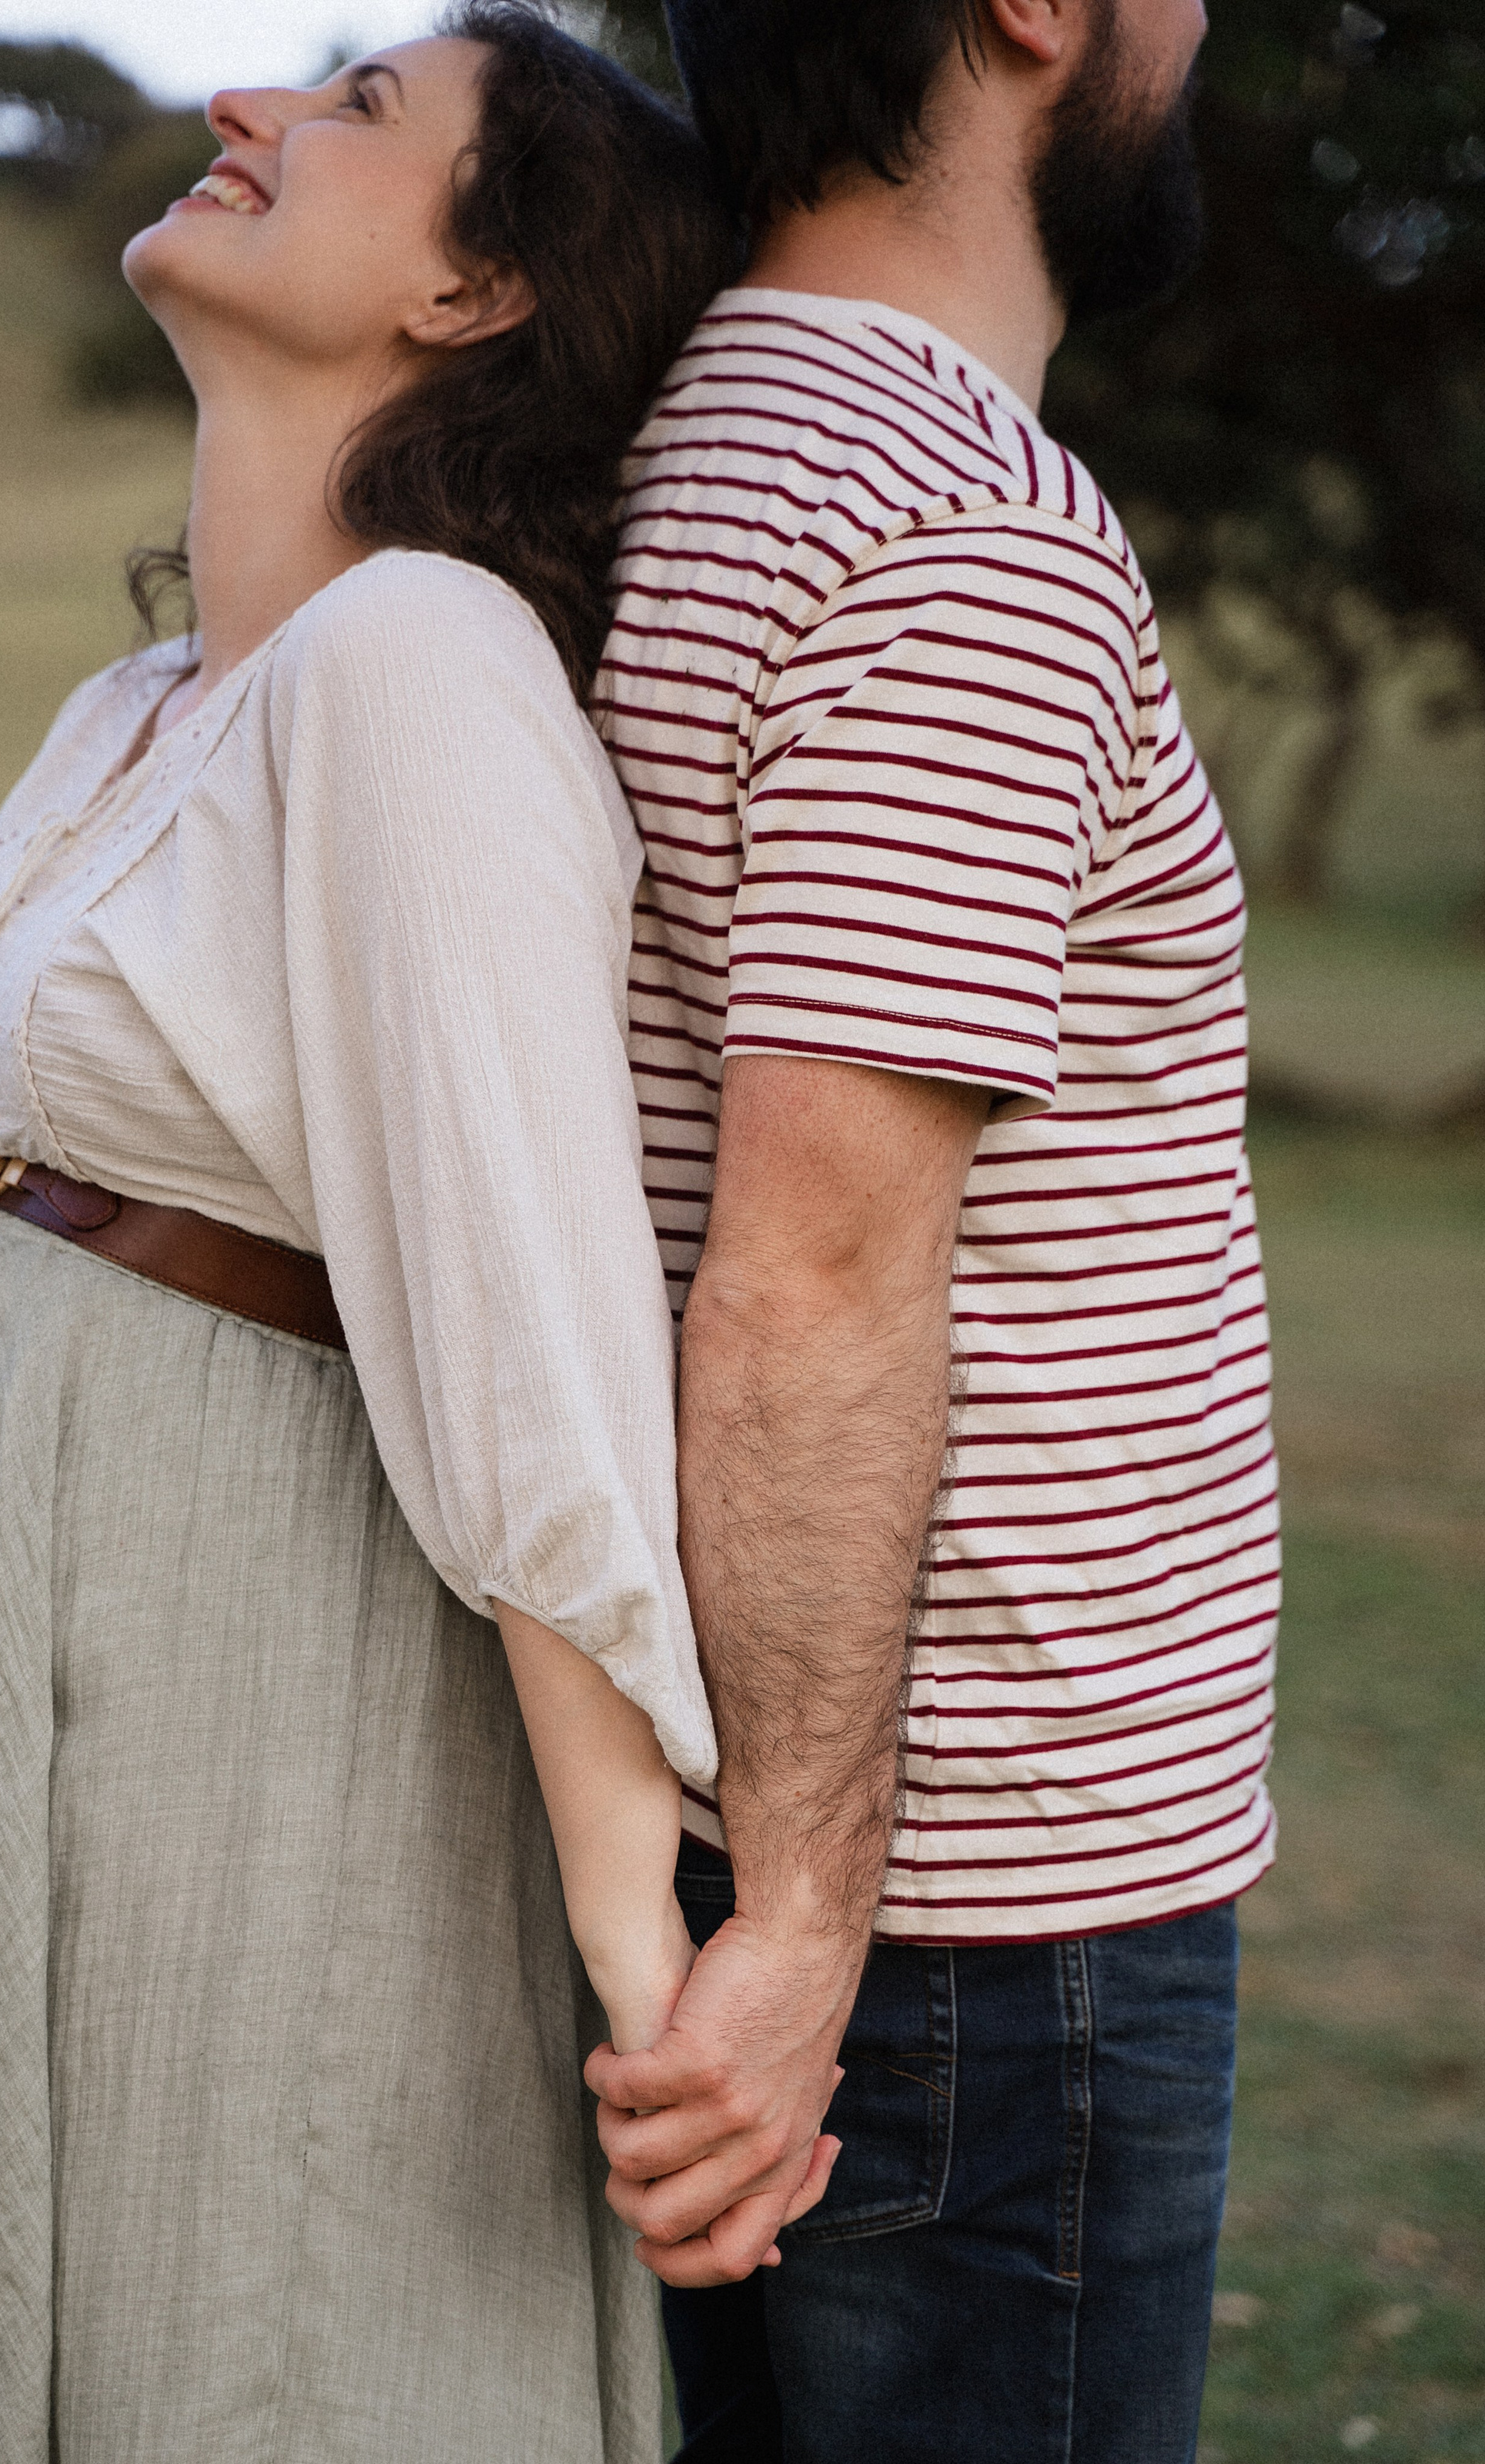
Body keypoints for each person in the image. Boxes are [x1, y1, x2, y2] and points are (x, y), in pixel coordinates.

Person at [0, 15, 743, 2461]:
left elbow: (523, 1303)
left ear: (481, 295)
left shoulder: (425, 665)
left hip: (244, 1714)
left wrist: (637, 1947)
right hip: (23, 1767)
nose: (247, 109)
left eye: (358, 105)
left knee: (237, 2350)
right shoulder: (147, 698)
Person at [581, 2, 1279, 2457]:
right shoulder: (954, 521)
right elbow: (814, 1276)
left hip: (724, 1830)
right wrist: (804, 1927)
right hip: (968, 1917)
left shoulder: (629, 448)